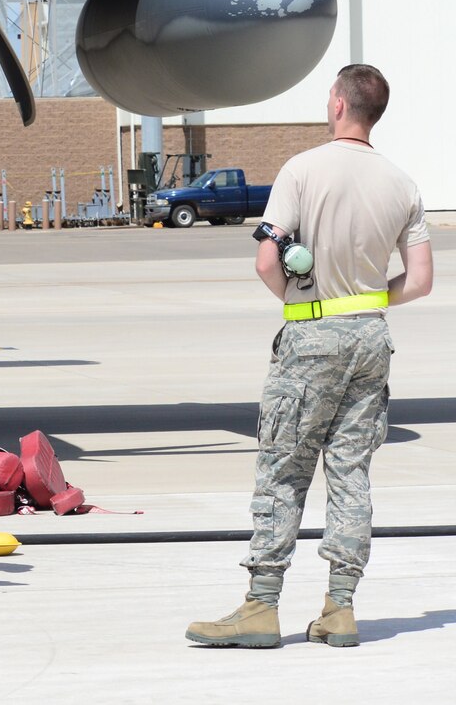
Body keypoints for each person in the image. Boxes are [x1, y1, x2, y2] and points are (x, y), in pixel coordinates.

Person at [187, 64, 434, 650]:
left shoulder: (301, 169)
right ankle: (340, 607)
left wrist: (306, 306)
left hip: (312, 337)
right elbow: (420, 280)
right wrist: (364, 302)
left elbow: (268, 261)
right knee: (351, 472)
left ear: (340, 104)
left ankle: (261, 606)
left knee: (283, 469)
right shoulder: (403, 185)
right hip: (371, 336)